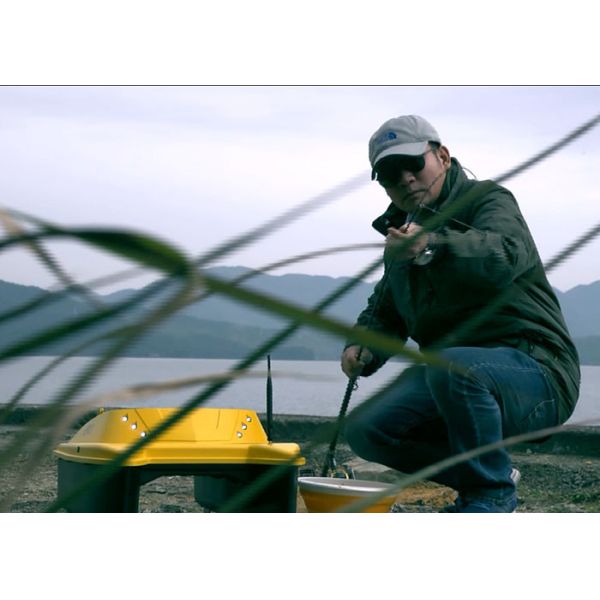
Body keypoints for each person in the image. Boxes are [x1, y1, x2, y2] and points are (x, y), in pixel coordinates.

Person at [341, 115, 580, 512]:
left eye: (412, 163)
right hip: (453, 378)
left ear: (443, 157)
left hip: (538, 374)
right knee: (367, 430)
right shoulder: (401, 239)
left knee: (453, 367)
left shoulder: (490, 201)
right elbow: (385, 311)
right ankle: (492, 474)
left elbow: (504, 254)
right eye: (388, 174)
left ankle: (490, 497)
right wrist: (360, 348)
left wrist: (431, 246)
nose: (404, 178)